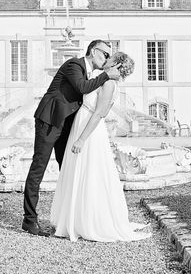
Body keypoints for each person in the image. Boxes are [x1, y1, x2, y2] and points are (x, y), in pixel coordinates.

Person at [22, 40, 122, 237]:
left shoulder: (90, 73)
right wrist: (106, 75)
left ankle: (70, 217)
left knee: (68, 167)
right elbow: (82, 88)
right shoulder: (74, 65)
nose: (108, 59)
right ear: (93, 51)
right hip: (49, 121)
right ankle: (29, 220)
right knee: (38, 168)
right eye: (105, 54)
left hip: (66, 125)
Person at [50, 51, 152, 242]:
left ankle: (88, 221)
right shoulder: (103, 80)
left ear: (117, 66)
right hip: (81, 124)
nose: (106, 60)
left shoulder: (108, 83)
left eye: (110, 59)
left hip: (89, 129)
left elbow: (98, 113)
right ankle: (75, 218)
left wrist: (81, 139)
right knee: (78, 173)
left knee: (89, 173)